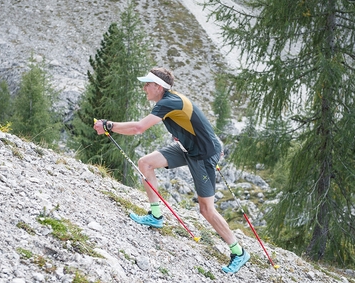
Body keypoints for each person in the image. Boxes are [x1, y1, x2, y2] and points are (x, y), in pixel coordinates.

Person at [93, 67, 250, 274]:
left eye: (147, 84)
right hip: (187, 148)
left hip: (202, 155)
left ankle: (239, 252)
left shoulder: (170, 102)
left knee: (206, 210)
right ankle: (156, 216)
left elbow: (138, 128)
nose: (144, 88)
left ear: (159, 86)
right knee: (145, 163)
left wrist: (109, 125)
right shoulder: (167, 101)